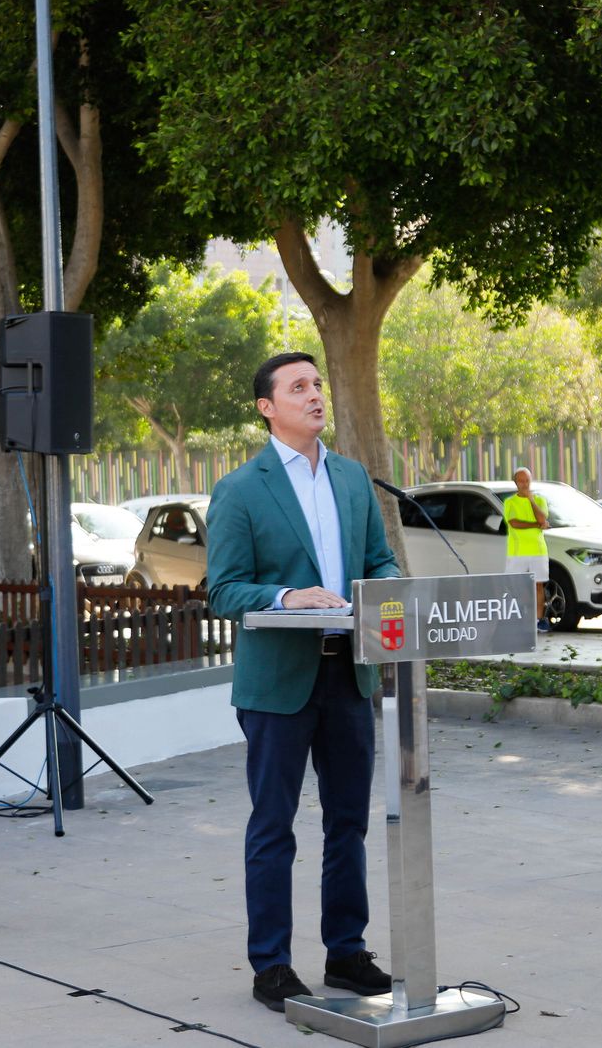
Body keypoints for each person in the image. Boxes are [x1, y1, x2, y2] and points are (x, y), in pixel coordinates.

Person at [205, 351, 400, 1013]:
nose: (315, 394)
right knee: (274, 826)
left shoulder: (351, 480)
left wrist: (397, 597)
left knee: (349, 821)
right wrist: (289, 596)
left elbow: (378, 563)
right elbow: (224, 590)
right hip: (279, 682)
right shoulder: (241, 489)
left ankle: (347, 953)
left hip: (351, 673)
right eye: (298, 387)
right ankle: (273, 966)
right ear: (267, 407)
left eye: (318, 383)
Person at [503, 467, 550, 631]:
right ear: (516, 482)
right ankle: (522, 617)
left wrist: (531, 501)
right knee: (517, 586)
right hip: (517, 552)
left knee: (538, 586)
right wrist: (536, 525)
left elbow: (542, 518)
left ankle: (539, 620)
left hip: (538, 551)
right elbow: (514, 523)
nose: (524, 484)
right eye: (521, 481)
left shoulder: (540, 500)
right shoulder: (510, 502)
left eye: (527, 480)